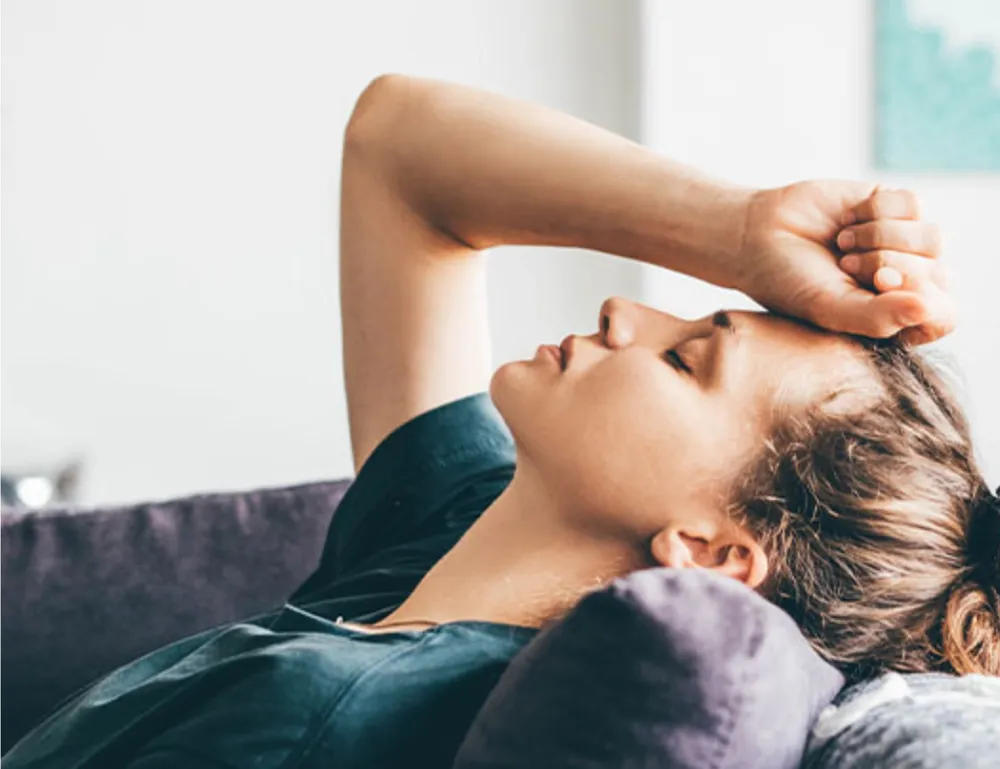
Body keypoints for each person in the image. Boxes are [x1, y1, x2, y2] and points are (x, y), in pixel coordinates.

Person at [5, 75, 997, 769]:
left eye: (686, 356)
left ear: (712, 551)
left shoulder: (313, 722)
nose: (626, 313)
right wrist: (737, 231)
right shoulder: (450, 534)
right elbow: (400, 145)